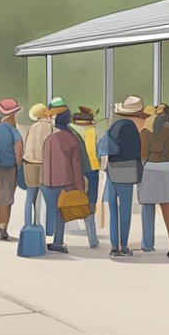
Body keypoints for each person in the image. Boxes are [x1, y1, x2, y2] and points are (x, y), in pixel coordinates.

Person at [103, 97, 146, 258]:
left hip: (112, 170)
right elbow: (137, 152)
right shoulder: (133, 128)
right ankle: (124, 246)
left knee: (113, 210)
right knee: (125, 210)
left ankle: (114, 247)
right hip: (127, 171)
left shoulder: (114, 126)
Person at [40, 104, 85, 254]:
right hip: (65, 181)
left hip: (47, 181)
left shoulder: (49, 140)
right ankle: (57, 241)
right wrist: (80, 187)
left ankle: (45, 237)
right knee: (60, 213)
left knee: (49, 210)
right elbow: (76, 165)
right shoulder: (71, 139)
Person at [139, 104, 169, 257]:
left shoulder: (145, 129)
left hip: (150, 167)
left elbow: (143, 153)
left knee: (147, 206)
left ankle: (147, 244)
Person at [0, 99, 25, 241]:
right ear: (13, 114)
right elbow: (19, 153)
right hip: (9, 169)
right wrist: (19, 167)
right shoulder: (14, 132)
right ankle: (2, 229)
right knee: (7, 198)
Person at [70, 107, 100, 248]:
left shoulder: (70, 130)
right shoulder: (91, 131)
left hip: (73, 168)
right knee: (90, 202)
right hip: (91, 168)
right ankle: (92, 238)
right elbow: (92, 151)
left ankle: (66, 233)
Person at [21, 103, 54, 228]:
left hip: (30, 165)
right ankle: (49, 228)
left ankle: (28, 224)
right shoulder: (51, 128)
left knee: (30, 198)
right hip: (46, 165)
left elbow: (27, 147)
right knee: (48, 198)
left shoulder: (33, 127)